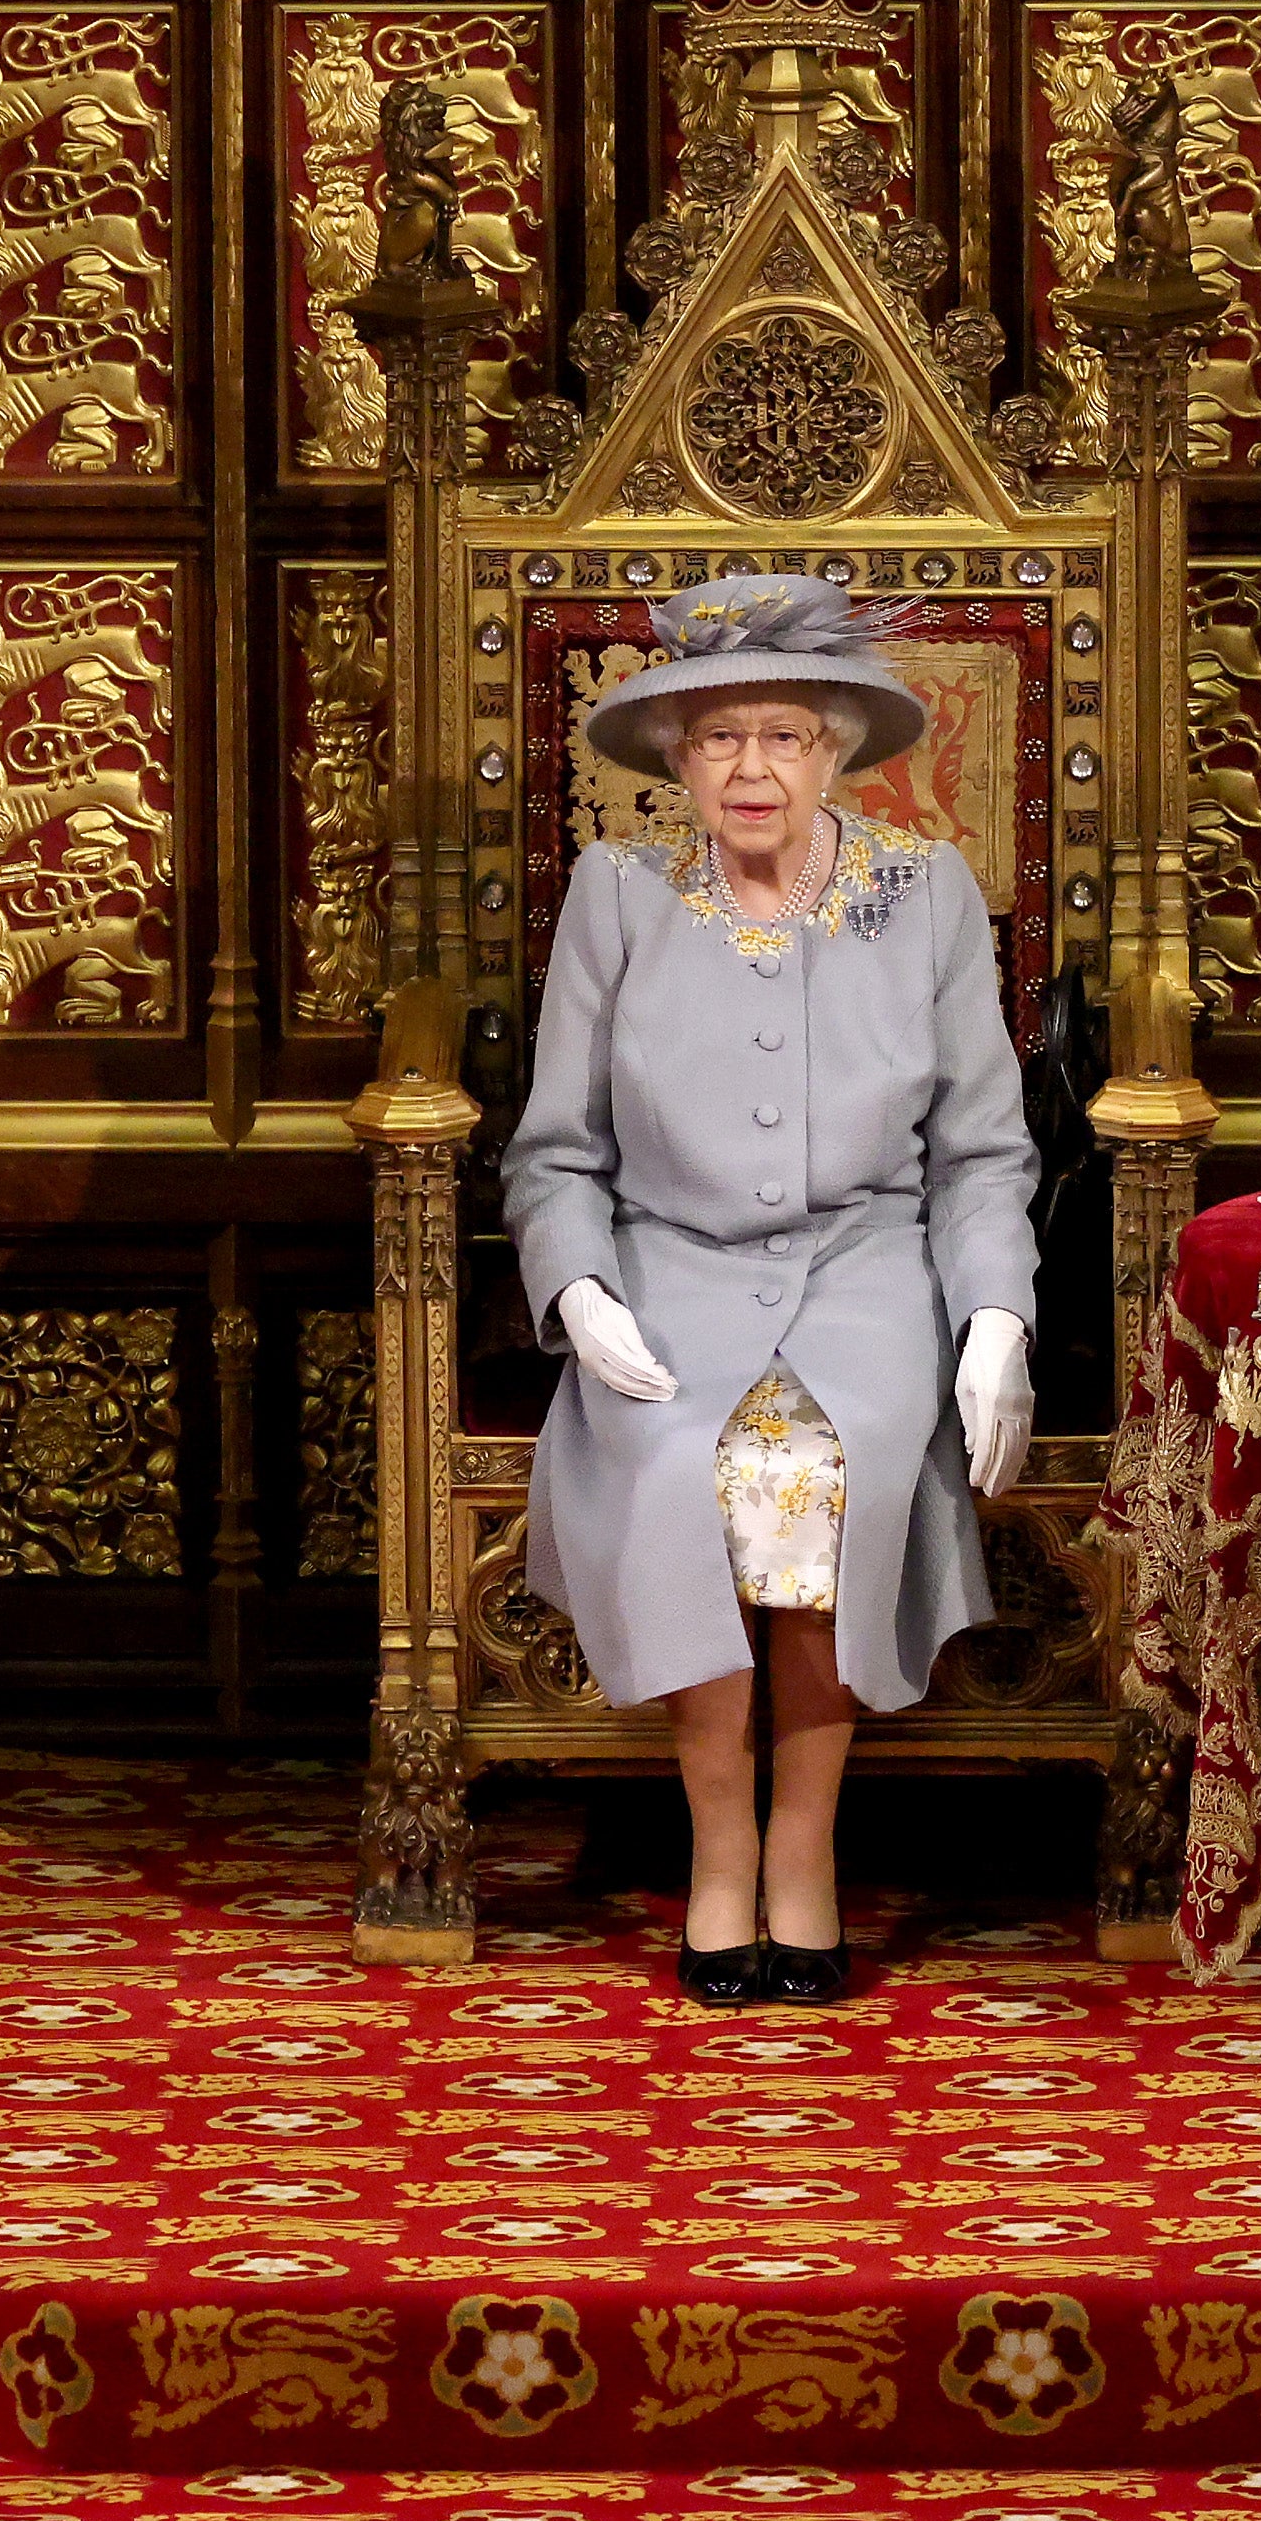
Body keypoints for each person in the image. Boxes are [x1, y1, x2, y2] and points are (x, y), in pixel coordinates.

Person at [503, 577, 1041, 2006]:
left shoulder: (925, 898)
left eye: (785, 736)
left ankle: (803, 1848)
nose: (753, 768)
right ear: (676, 755)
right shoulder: (618, 900)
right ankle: (719, 1845)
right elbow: (555, 1153)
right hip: (669, 1278)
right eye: (721, 737)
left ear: (834, 752)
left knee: (827, 1470)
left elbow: (984, 1152)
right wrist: (581, 1292)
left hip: (870, 1275)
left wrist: (995, 1319)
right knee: (691, 1462)